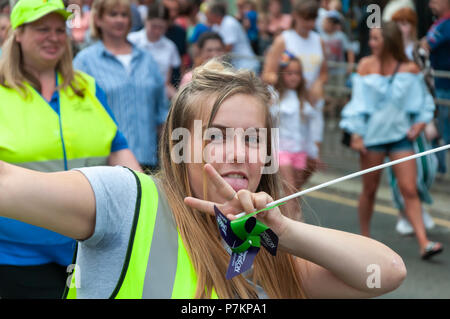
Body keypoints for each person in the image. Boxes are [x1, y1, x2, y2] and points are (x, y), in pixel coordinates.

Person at [0, 59, 407, 299]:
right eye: (215, 136)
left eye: (252, 138)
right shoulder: (127, 199)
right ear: (180, 148)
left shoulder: (268, 240)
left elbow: (387, 271)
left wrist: (286, 232)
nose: (237, 152)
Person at [0, 0, 141, 299]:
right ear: (19, 33)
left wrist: (148, 197)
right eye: (42, 29)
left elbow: (119, 149)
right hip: (16, 257)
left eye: (58, 29)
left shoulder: (88, 87)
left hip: (89, 251)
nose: (53, 37)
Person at [340, 22, 443, 260]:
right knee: (370, 190)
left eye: (376, 39)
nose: (371, 43)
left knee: (409, 189)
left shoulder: (409, 68)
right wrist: (355, 134)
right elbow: (357, 105)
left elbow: (424, 101)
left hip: (399, 138)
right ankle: (364, 239)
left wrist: (420, 122)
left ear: (389, 41)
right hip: (371, 140)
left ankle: (424, 242)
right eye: (371, 38)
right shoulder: (365, 66)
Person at [74, 0, 169, 171]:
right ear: (98, 20)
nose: (120, 20)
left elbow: (161, 113)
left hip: (148, 161)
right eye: (113, 14)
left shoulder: (147, 60)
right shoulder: (84, 62)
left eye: (124, 15)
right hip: (106, 163)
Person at [263, 0, 327, 185]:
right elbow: (268, 72)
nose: (310, 24)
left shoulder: (318, 40)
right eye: (306, 19)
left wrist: (317, 84)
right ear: (296, 17)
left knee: (311, 162)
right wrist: (293, 81)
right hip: (288, 106)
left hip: (310, 106)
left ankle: (291, 200)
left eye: (313, 19)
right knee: (287, 164)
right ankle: (289, 203)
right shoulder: (284, 40)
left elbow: (323, 73)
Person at [389, 7, 437, 236]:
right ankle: (404, 211)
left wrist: (429, 119)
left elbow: (428, 84)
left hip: (417, 115)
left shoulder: (419, 51)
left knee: (428, 167)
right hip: (394, 120)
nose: (402, 28)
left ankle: (415, 205)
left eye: (406, 23)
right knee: (399, 171)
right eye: (398, 23)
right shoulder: (387, 51)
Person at [270, 52, 318, 219]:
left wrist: (313, 152)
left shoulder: (303, 98)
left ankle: (293, 218)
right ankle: (292, 225)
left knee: (295, 191)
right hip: (281, 149)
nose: (293, 77)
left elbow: (308, 129)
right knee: (289, 189)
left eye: (297, 73)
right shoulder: (275, 97)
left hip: (299, 150)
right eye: (289, 73)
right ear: (283, 75)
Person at [127, 2, 181, 99]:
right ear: (146, 21)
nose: (157, 31)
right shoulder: (132, 40)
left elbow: (167, 82)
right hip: (133, 92)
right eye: (153, 26)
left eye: (161, 28)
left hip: (158, 95)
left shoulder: (170, 47)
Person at [425, 0, 450, 174]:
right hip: (437, 86)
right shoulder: (438, 23)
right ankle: (440, 169)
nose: (430, 3)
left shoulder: (446, 25)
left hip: (445, 88)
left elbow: (425, 45)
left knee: (443, 132)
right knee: (438, 130)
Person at [206, 1, 259, 73]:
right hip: (237, 66)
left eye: (208, 13)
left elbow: (228, 47)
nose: (206, 15)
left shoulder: (229, 22)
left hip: (247, 65)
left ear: (214, 14)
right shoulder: (216, 26)